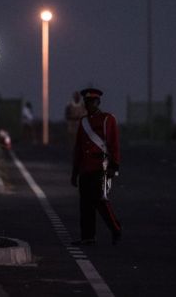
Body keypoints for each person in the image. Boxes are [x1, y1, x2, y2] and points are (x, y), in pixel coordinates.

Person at [70, 88, 122, 246]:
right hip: (86, 168)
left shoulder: (107, 119)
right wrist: (75, 172)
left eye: (92, 102)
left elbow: (114, 143)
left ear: (98, 102)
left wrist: (115, 166)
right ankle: (88, 237)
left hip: (102, 166)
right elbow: (78, 147)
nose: (89, 105)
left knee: (101, 200)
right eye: (86, 102)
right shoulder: (83, 121)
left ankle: (115, 229)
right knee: (85, 204)